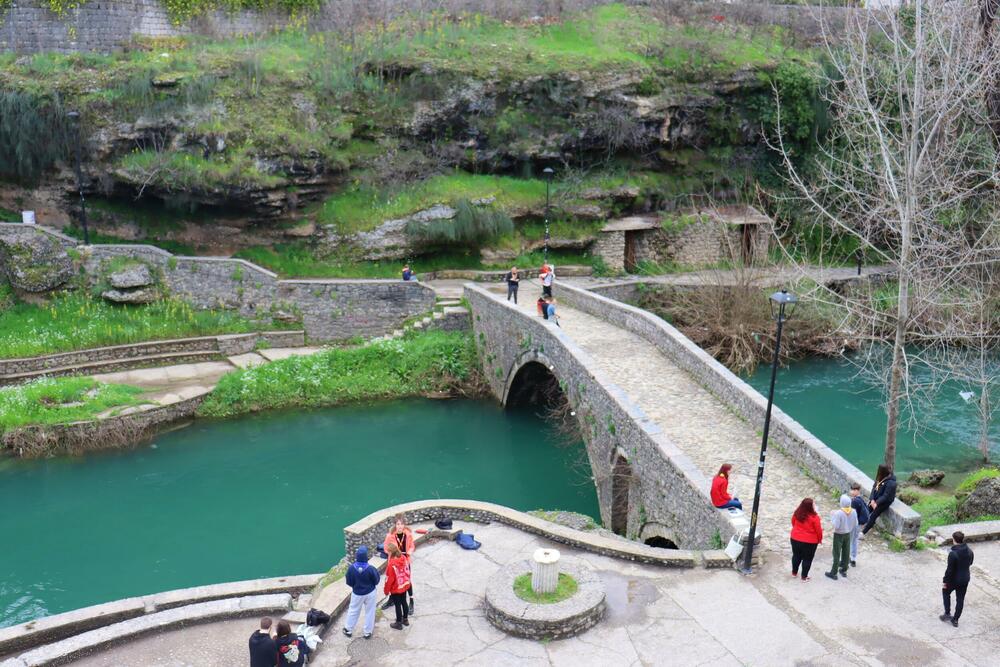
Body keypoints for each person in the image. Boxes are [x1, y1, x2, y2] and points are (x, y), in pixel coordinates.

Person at [343, 546, 380, 640]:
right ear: (365, 556)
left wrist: (356, 586)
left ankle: (348, 629)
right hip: (370, 593)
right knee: (370, 611)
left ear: (357, 557)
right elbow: (376, 580)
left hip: (357, 593)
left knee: (353, 610)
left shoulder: (351, 568)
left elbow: (349, 582)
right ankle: (367, 632)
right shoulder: (370, 568)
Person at [381, 514, 415, 614]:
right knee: (393, 581)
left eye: (402, 524)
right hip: (394, 562)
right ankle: (391, 599)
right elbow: (386, 549)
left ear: (404, 525)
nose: (400, 526)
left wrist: (409, 551)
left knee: (407, 581)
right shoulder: (390, 536)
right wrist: (394, 553)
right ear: (395, 525)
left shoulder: (408, 534)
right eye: (398, 524)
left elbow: (412, 546)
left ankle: (412, 601)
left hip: (405, 561)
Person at [941, 531, 974, 627]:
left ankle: (947, 613)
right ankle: (955, 620)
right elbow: (970, 562)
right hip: (965, 579)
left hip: (954, 580)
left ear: (954, 540)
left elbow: (949, 571)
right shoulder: (970, 551)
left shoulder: (953, 554)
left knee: (945, 592)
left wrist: (945, 581)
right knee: (960, 599)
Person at [825, 495, 858, 580]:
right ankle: (844, 570)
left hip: (839, 535)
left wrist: (832, 516)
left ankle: (834, 572)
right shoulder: (853, 511)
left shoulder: (839, 513)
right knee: (846, 552)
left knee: (836, 553)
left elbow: (836, 526)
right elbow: (855, 524)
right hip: (848, 534)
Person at [789, 498, 823, 581]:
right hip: (810, 542)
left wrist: (797, 531)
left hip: (795, 538)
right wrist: (819, 539)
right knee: (807, 559)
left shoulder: (797, 514)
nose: (814, 506)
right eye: (813, 504)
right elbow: (818, 530)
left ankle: (794, 573)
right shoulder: (815, 517)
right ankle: (804, 577)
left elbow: (793, 522)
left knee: (796, 556)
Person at [383, 542, 412, 630]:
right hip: (404, 584)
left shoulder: (392, 564)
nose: (387, 553)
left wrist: (386, 591)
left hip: (396, 588)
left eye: (388, 552)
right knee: (404, 602)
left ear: (391, 552)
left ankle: (398, 623)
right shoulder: (403, 557)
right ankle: (405, 620)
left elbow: (389, 580)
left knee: (397, 605)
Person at [861, 464, 897, 535]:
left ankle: (863, 533)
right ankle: (860, 523)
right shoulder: (880, 478)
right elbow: (873, 489)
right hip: (876, 498)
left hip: (885, 501)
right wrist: (872, 500)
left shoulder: (891, 483)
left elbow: (886, 496)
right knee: (867, 510)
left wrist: (876, 503)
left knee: (874, 515)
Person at [848, 482, 870, 567]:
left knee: (852, 541)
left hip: (855, 524)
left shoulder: (855, 501)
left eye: (854, 490)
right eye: (852, 489)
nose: (852, 491)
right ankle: (853, 558)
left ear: (857, 491)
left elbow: (853, 514)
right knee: (854, 540)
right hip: (859, 523)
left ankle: (851, 558)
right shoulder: (860, 499)